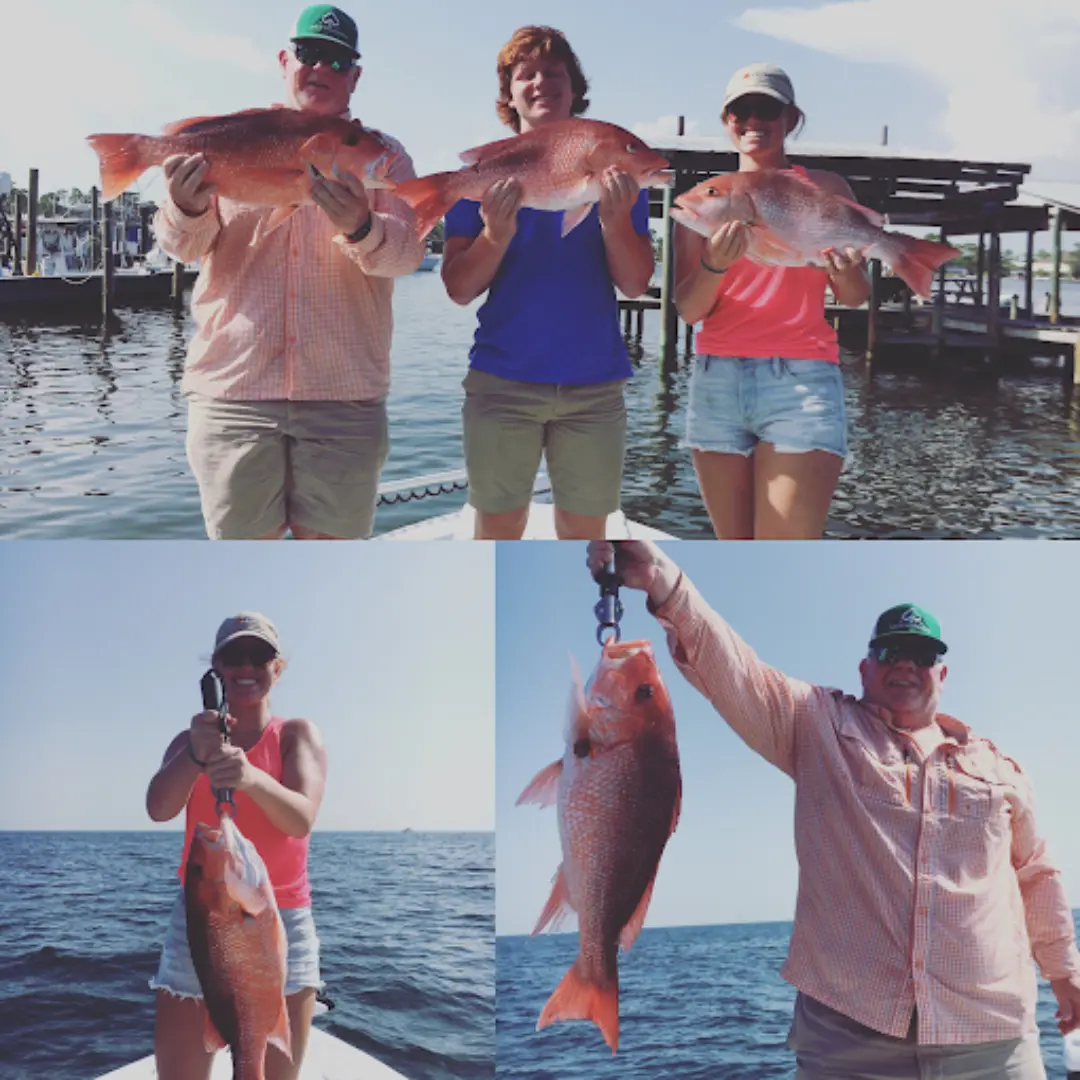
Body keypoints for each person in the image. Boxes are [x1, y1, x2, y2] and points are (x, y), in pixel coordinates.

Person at [586, 539, 1080, 1080]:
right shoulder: (815, 723)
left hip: (992, 1038)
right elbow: (736, 671)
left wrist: (1064, 973)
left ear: (942, 675)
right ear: (866, 669)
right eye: (892, 653)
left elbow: (1036, 873)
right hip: (849, 1040)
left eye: (923, 656)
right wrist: (662, 578)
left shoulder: (1001, 767)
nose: (906, 666)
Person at [154, 5, 424, 540]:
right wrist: (184, 208)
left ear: (355, 77)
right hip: (235, 394)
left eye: (337, 59)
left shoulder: (384, 157)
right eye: (308, 53)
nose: (320, 67)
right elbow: (183, 248)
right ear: (285, 60)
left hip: (343, 399)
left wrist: (362, 226)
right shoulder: (232, 137)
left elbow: (408, 256)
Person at [441, 26, 655, 540]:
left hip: (594, 387)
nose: (540, 83)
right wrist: (495, 234)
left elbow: (634, 282)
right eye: (526, 74)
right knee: (496, 532)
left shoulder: (618, 176)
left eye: (553, 73)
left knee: (585, 536)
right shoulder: (482, 176)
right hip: (501, 382)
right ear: (509, 93)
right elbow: (458, 288)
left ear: (574, 87)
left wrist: (614, 218)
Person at [674, 64, 870, 540]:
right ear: (726, 121)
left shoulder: (826, 189)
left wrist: (845, 273)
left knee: (786, 549)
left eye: (767, 109)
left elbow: (856, 295)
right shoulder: (703, 202)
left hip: (800, 380)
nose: (752, 120)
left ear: (791, 119)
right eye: (740, 111)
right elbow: (689, 309)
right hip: (717, 380)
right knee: (734, 551)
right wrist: (715, 266)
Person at [146, 613, 327, 1080]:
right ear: (216, 668)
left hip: (280, 920)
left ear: (278, 667)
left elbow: (301, 818)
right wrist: (194, 756)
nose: (246, 667)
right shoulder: (189, 740)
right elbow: (159, 807)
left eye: (260, 656)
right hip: (202, 921)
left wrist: (251, 778)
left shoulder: (295, 735)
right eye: (233, 656)